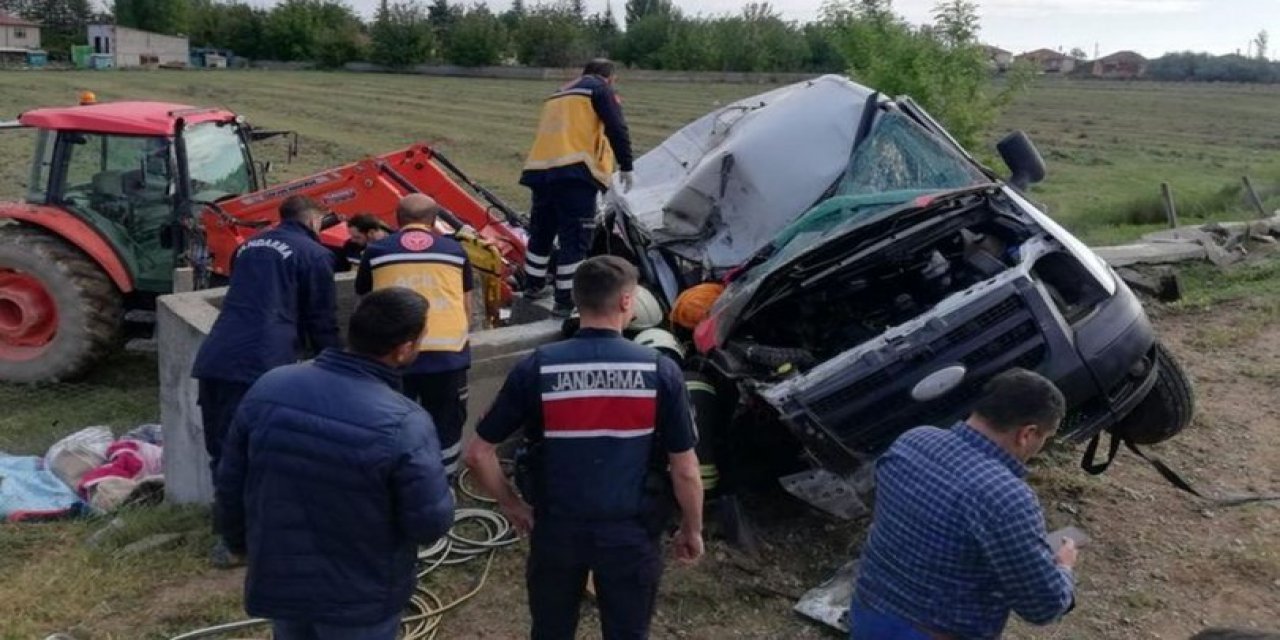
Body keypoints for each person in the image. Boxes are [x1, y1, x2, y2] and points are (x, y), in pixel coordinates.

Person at [464, 255, 704, 640]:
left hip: (556, 530)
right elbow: (686, 469)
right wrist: (692, 528)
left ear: (576, 299)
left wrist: (513, 506)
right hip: (630, 533)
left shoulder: (537, 367)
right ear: (627, 302)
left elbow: (477, 453)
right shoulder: (660, 371)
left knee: (551, 629)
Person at [216, 288, 455, 640]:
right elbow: (429, 524)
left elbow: (230, 480)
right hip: (361, 598)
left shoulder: (270, 386)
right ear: (404, 349)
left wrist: (237, 543)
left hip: (284, 581)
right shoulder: (406, 422)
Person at [851, 369, 1077, 640]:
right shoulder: (1006, 496)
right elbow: (1042, 607)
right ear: (1027, 433)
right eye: (1045, 438)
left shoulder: (913, 440)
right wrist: (1063, 566)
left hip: (867, 611)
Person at [191, 194, 341, 566]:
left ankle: (228, 534)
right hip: (262, 361)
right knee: (259, 450)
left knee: (223, 447)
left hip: (218, 354)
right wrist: (335, 362)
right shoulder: (314, 255)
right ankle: (247, 539)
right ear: (313, 220)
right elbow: (321, 317)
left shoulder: (249, 246)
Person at [356, 194, 473, 477]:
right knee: (447, 421)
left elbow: (364, 303)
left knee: (391, 421)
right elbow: (467, 306)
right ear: (434, 222)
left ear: (398, 219)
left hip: (392, 353)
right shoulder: (455, 251)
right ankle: (443, 483)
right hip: (448, 355)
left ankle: (396, 479)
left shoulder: (376, 251)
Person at [520, 58, 634, 316]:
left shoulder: (559, 93)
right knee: (575, 237)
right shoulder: (600, 89)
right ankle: (565, 300)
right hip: (575, 173)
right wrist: (626, 164)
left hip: (540, 171)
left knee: (541, 233)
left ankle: (532, 286)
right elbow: (616, 126)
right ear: (610, 77)